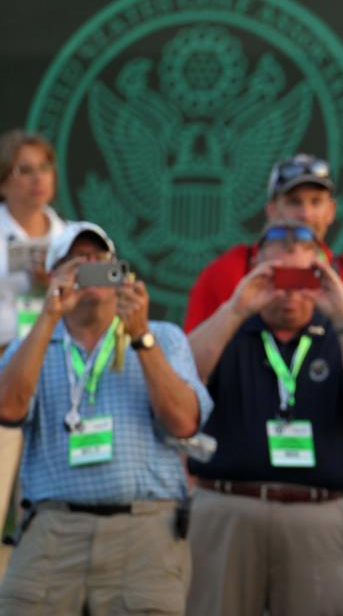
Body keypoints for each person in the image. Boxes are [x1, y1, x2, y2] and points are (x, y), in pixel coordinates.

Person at [183, 153, 343, 613]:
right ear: (271, 209)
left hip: (323, 495)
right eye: (294, 202)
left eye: (316, 202)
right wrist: (238, 307)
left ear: (331, 212)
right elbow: (184, 378)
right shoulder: (231, 275)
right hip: (231, 493)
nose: (305, 213)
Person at [0, 221, 213, 614]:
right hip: (52, 531)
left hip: (142, 531)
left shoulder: (162, 337)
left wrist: (141, 338)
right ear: (54, 274)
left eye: (101, 261)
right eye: (77, 262)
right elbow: (8, 409)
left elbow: (184, 422)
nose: (91, 267)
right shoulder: (33, 346)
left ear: (120, 273)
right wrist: (49, 315)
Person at [0, 130, 68, 534]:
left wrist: (55, 281)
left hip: (57, 377)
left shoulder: (75, 235)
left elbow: (106, 285)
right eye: (25, 170)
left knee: (45, 512)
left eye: (44, 168)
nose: (37, 179)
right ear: (5, 180)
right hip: (2, 373)